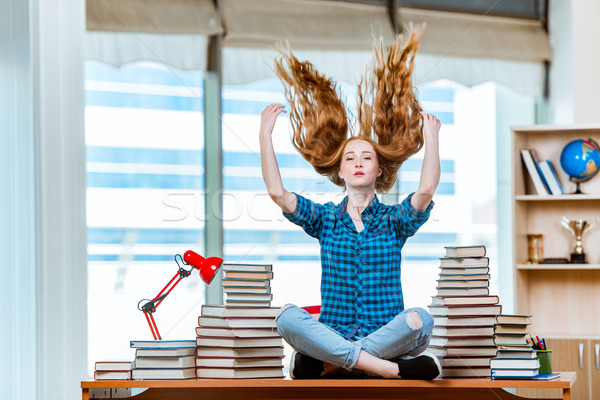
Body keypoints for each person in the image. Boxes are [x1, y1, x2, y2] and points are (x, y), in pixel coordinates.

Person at [259, 26, 442, 380]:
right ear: (340, 171)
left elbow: (427, 188)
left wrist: (431, 139)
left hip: (385, 335)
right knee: (286, 317)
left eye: (366, 157)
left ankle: (335, 364)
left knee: (420, 319)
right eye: (350, 158)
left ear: (378, 170)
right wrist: (265, 136)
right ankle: (383, 369)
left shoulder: (394, 221)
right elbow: (278, 194)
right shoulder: (324, 219)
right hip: (336, 334)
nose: (358, 162)